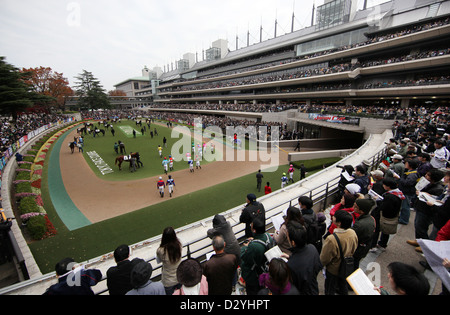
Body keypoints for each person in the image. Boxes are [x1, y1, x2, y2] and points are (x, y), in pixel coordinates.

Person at [320, 210, 358, 295]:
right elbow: (354, 247)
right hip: (346, 266)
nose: (332, 217)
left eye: (334, 217)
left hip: (334, 269)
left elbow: (325, 258)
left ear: (339, 223)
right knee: (342, 285)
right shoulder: (352, 233)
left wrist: (319, 266)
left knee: (330, 288)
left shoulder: (332, 239)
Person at [284, 221, 322, 295]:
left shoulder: (290, 265)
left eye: (287, 236)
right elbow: (318, 266)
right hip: (314, 288)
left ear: (293, 242)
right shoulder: (312, 248)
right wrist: (291, 257)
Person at [240, 217, 273, 295]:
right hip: (264, 270)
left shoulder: (254, 246)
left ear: (254, 230)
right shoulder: (268, 236)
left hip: (254, 275)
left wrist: (246, 247)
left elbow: (244, 256)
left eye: (251, 226)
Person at [371, 178, 405, 252]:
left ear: (388, 186)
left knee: (377, 230)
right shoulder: (398, 194)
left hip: (383, 216)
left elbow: (384, 207)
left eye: (384, 185)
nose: (383, 186)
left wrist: (378, 200)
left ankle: (373, 245)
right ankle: (382, 244)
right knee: (386, 231)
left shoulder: (390, 197)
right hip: (392, 215)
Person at [156, 227, 182, 295]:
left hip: (168, 281)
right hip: (179, 277)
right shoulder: (179, 245)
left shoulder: (160, 250)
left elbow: (158, 260)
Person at [352, 198, 376, 270]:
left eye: (355, 207)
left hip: (358, 249)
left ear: (361, 211)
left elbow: (352, 236)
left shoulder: (360, 225)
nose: (353, 207)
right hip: (364, 247)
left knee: (353, 264)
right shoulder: (371, 218)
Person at [397, 159, 419, 225]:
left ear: (410, 165)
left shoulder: (412, 174)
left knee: (405, 206)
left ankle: (404, 220)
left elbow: (407, 183)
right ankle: (402, 217)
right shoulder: (410, 172)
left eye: (406, 164)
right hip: (406, 191)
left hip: (407, 192)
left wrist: (400, 178)